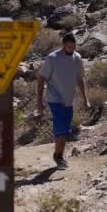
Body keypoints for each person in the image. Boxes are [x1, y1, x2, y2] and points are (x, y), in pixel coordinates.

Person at [37, 33, 90, 169]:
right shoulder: (52, 58)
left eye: (74, 47)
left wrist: (86, 99)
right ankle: (59, 157)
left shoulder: (77, 58)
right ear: (63, 45)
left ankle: (58, 154)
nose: (71, 50)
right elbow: (41, 79)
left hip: (68, 100)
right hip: (55, 99)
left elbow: (80, 79)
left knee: (65, 131)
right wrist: (39, 103)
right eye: (69, 47)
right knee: (60, 130)